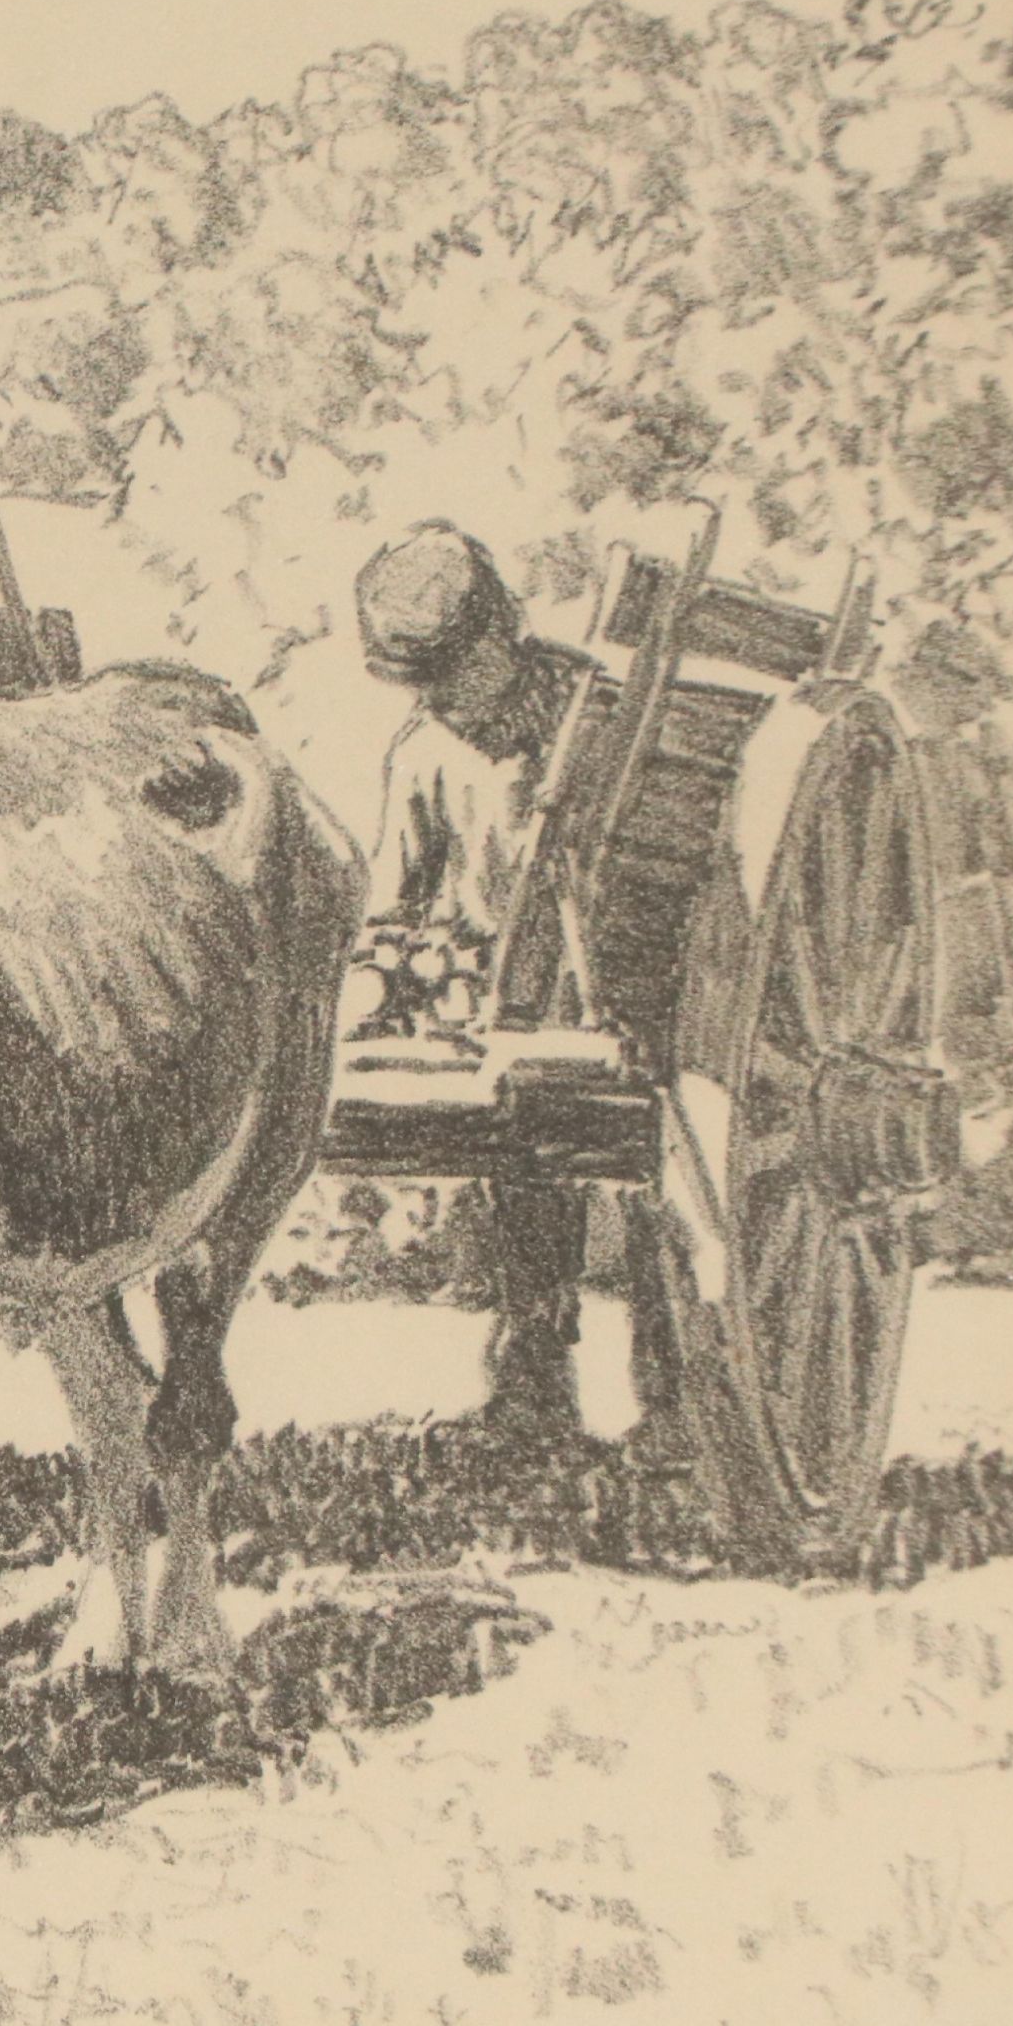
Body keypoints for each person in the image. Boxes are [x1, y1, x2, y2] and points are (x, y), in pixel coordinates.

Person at [352, 521, 685, 1448]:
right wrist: (393, 971)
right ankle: (534, 1383)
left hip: (635, 999)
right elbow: (394, 903)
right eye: (424, 683)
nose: (445, 699)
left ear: (503, 633)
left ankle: (674, 1389)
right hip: (505, 1013)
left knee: (650, 1201)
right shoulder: (423, 752)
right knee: (527, 1187)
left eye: (454, 674)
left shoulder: (601, 720)